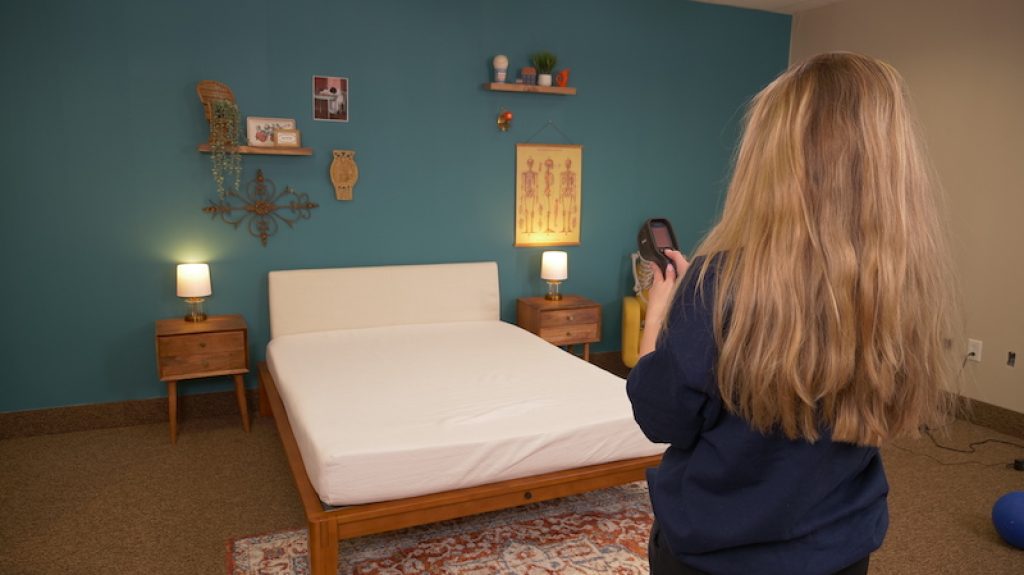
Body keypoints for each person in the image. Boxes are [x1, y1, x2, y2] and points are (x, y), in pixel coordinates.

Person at [627, 52, 960, 575]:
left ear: (769, 162)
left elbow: (660, 416)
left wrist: (662, 315)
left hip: (716, 558)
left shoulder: (714, 286)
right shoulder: (898, 289)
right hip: (840, 550)